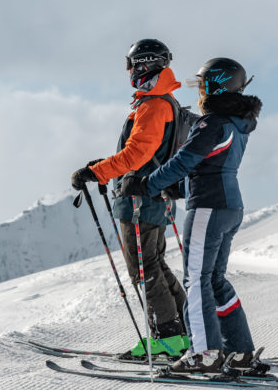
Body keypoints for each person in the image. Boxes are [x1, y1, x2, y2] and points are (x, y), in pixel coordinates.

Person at [120, 57, 265, 374]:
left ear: (214, 85)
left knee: (197, 281)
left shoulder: (211, 123)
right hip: (229, 206)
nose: (198, 92)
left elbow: (185, 160)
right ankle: (240, 352)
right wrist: (174, 191)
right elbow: (212, 165)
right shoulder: (235, 123)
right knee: (214, 281)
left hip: (208, 208)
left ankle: (205, 353)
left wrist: (148, 184)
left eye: (201, 85)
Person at [71, 39, 189, 360]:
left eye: (130, 65)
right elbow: (141, 152)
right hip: (153, 195)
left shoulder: (153, 105)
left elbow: (137, 154)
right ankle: (183, 330)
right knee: (154, 263)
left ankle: (166, 339)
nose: (128, 72)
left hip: (140, 198)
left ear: (144, 65)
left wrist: (97, 173)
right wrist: (100, 168)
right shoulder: (164, 102)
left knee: (143, 268)